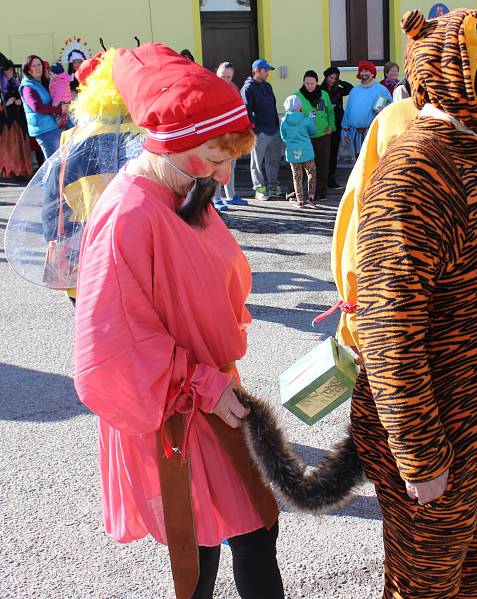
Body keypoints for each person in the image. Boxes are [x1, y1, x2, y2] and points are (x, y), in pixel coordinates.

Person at [343, 9, 477, 597]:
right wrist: (420, 454)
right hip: (444, 434)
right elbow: (391, 329)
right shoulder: (416, 170)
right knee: (426, 584)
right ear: (453, 71)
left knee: (474, 569)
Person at [72, 43, 283, 599]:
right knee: (210, 541)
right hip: (179, 406)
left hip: (210, 392)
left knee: (243, 530)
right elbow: (115, 344)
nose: (223, 172)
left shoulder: (185, 189)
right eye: (214, 157)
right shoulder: (129, 213)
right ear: (171, 141)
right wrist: (201, 383)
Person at [242, 58, 281, 200]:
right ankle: (259, 189)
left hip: (274, 130)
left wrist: (277, 125)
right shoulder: (247, 88)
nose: (268, 74)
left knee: (273, 160)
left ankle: (272, 186)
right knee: (257, 163)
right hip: (259, 132)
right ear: (256, 71)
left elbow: (273, 106)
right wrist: (255, 130)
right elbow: (246, 111)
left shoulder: (267, 86)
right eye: (265, 71)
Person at [213, 61, 247, 211]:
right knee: (216, 166)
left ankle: (231, 195)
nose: (226, 80)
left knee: (230, 165)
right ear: (216, 73)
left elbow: (238, 109)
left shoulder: (233, 88)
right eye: (223, 76)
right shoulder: (210, 88)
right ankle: (215, 197)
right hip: (216, 135)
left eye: (229, 77)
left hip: (232, 134)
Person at [19, 54, 68, 159]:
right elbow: (38, 107)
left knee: (60, 162)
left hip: (51, 126)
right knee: (54, 164)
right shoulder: (27, 87)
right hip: (44, 130)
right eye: (34, 66)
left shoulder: (41, 83)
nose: (38, 68)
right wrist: (60, 109)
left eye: (39, 65)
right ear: (28, 70)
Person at [341, 60, 391, 157]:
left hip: (372, 134)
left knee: (372, 162)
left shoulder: (381, 90)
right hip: (355, 134)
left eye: (367, 70)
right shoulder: (354, 91)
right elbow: (347, 112)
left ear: (372, 74)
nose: (364, 73)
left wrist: (383, 110)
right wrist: (345, 132)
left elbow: (390, 107)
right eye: (362, 71)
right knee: (358, 164)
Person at [297, 70, 334, 200]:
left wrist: (331, 126)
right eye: (307, 83)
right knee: (302, 165)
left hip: (323, 134)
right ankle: (298, 192)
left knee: (322, 164)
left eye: (312, 83)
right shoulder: (298, 96)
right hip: (305, 136)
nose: (309, 86)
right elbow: (295, 116)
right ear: (303, 82)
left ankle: (320, 191)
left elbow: (329, 112)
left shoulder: (323, 95)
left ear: (317, 82)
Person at [280, 94, 317, 208]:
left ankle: (300, 200)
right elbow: (313, 132)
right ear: (300, 106)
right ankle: (311, 196)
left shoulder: (284, 121)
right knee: (311, 173)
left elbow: (284, 137)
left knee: (297, 176)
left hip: (292, 152)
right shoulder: (306, 120)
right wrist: (311, 119)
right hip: (306, 151)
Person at [0, 54, 32, 179]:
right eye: (8, 70)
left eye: (12, 69)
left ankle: (21, 170)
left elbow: (25, 98)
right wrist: (5, 104)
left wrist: (20, 101)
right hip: (5, 124)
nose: (11, 72)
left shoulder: (16, 82)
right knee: (9, 147)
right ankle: (9, 171)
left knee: (19, 146)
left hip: (18, 122)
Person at [321, 66, 352, 190]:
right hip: (325, 125)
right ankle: (322, 179)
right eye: (331, 77)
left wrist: (341, 82)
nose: (333, 80)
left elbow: (351, 89)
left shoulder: (339, 90)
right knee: (324, 153)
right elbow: (319, 109)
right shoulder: (321, 90)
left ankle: (331, 178)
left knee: (334, 152)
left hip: (337, 124)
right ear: (326, 77)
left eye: (335, 78)